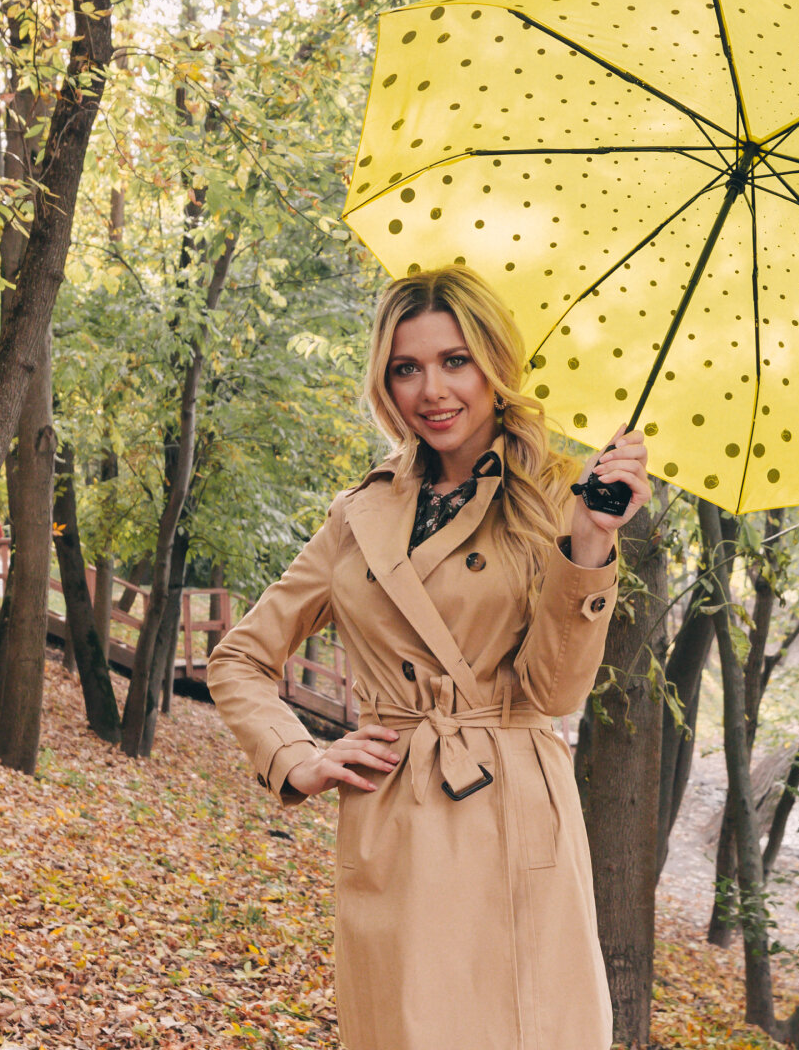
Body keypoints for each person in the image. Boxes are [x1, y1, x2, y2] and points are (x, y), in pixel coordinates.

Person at [206, 265, 650, 1050]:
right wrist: (297, 758)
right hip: (396, 817)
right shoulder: (360, 514)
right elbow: (240, 658)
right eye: (406, 368)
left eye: (455, 361)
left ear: (493, 367)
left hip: (514, 811)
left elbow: (555, 691)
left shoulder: (560, 497)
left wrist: (590, 542)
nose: (432, 390)